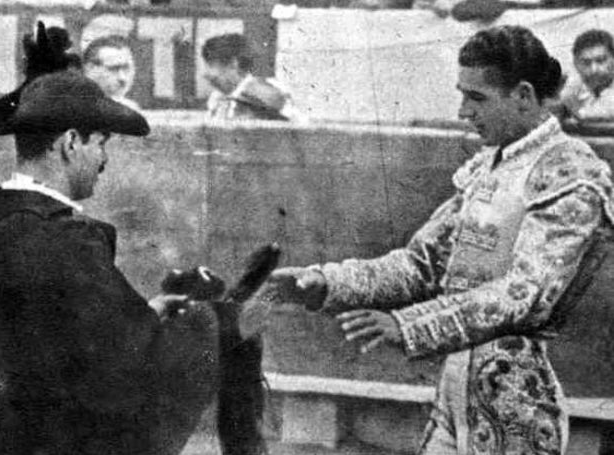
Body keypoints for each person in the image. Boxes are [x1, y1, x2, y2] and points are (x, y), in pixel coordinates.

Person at [267, 25, 614, 454]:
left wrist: (408, 324)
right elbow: (420, 263)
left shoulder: (570, 172)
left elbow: (524, 294)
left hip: (515, 401)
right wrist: (326, 282)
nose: (463, 111)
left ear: (523, 95)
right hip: (454, 392)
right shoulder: (491, 166)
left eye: (477, 97)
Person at [0, 34, 207, 455]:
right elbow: (120, 372)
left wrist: (143, 315)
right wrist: (207, 327)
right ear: (71, 142)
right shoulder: (65, 239)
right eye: (101, 143)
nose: (104, 160)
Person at [201, 33, 304, 122]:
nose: (205, 73)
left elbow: (298, 126)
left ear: (233, 64)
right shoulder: (218, 98)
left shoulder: (266, 93)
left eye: (210, 65)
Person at [558, 29, 614, 122]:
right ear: (576, 64)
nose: (594, 70)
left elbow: (597, 113)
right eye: (586, 63)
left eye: (601, 61)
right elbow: (563, 99)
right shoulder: (575, 84)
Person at [83, 35, 140, 111]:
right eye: (113, 69)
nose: (122, 78)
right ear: (90, 69)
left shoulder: (130, 108)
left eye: (126, 68)